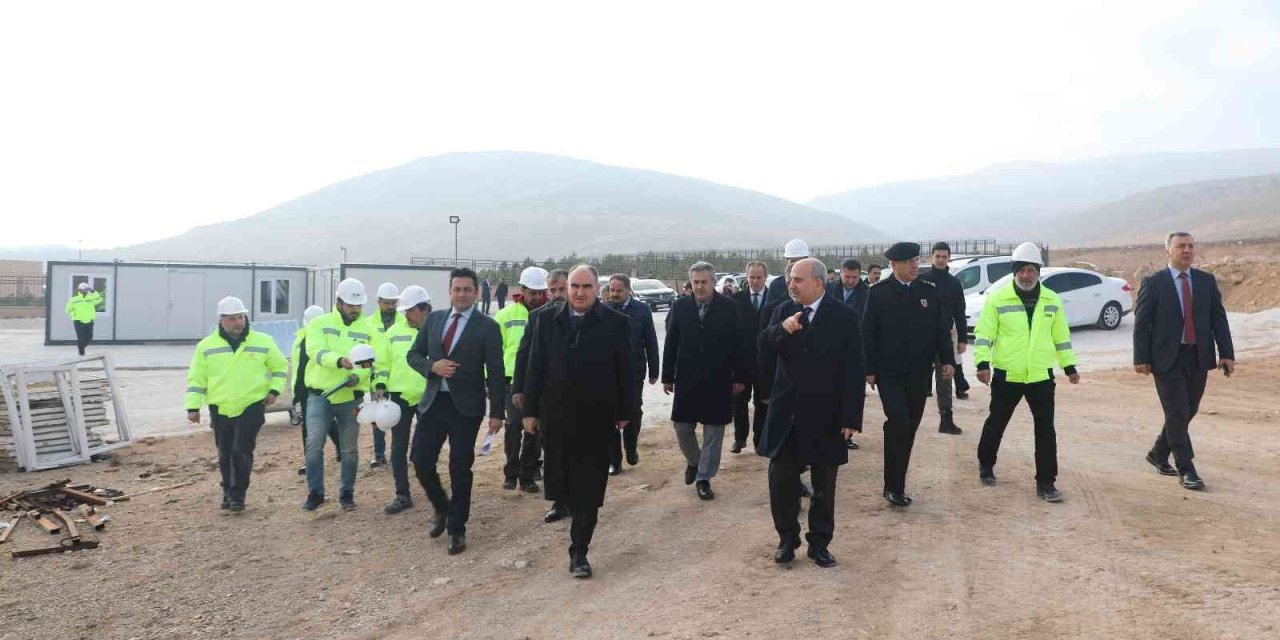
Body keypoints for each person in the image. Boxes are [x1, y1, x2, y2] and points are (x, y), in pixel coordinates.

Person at [522, 264, 633, 578]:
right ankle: (568, 508)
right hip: (556, 418)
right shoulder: (545, 321)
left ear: (597, 289)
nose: (580, 292)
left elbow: (625, 369)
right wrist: (529, 410)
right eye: (575, 286)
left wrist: (626, 411)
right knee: (563, 484)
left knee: (588, 491)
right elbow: (535, 367)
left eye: (586, 286)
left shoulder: (615, 323)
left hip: (597, 419)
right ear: (566, 288)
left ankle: (579, 552)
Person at [757, 258, 863, 567]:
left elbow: (854, 368)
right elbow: (763, 347)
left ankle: (819, 543)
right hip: (787, 413)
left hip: (826, 414)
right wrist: (782, 329)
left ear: (818, 283)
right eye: (790, 278)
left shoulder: (844, 317)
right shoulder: (781, 310)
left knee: (823, 485)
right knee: (781, 481)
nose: (791, 284)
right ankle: (787, 538)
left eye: (798, 279)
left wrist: (850, 418)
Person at [406, 267, 505, 555]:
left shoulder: (487, 326)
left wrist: (497, 412)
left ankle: (457, 529)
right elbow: (413, 354)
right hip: (434, 402)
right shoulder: (434, 320)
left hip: (467, 407)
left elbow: (496, 372)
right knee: (421, 461)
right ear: (449, 292)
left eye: (467, 289)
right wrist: (431, 367)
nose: (461, 294)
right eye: (456, 289)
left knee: (459, 468)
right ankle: (442, 506)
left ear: (476, 293)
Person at [973, 242, 1078, 502]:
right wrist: (982, 363)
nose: (1026, 275)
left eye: (1031, 270)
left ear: (1038, 271)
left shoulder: (1051, 299)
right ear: (1014, 271)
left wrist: (1069, 365)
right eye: (1022, 270)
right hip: (1007, 375)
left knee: (1045, 430)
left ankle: (1046, 482)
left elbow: (1061, 337)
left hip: (1041, 376)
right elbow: (984, 335)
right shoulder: (998, 299)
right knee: (997, 422)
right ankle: (986, 463)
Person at [1134, 232, 1234, 491]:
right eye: (1181, 246)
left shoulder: (1205, 281)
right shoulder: (1154, 283)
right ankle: (1186, 468)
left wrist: (1226, 353)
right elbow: (1142, 324)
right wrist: (1141, 357)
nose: (1187, 250)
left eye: (1190, 246)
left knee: (1188, 410)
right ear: (1168, 251)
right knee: (1177, 413)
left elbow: (1218, 319)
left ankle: (1158, 453)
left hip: (1198, 356)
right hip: (1166, 358)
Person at [863, 242, 955, 507]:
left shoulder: (928, 292)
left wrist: (947, 360)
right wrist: (868, 369)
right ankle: (893, 486)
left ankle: (896, 482)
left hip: (919, 374)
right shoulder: (878, 293)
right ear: (894, 265)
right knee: (899, 422)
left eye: (916, 260)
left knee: (909, 428)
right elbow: (867, 333)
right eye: (909, 261)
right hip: (889, 374)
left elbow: (941, 331)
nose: (916, 265)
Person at [185, 296, 288, 512]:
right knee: (224, 452)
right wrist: (193, 407)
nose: (238, 322)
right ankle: (227, 490)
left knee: (241, 450)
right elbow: (196, 379)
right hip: (220, 407)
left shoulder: (262, 341)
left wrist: (274, 390)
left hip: (252, 404)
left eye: (240, 317)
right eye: (232, 318)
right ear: (221, 320)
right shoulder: (206, 346)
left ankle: (237, 495)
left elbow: (280, 367)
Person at [663, 261, 748, 500]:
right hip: (687, 378)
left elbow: (739, 344)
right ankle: (694, 461)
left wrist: (740, 376)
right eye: (695, 282)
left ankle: (704, 478)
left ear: (713, 282)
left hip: (718, 378)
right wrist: (667, 376)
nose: (699, 287)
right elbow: (671, 343)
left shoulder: (729, 307)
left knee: (714, 431)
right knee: (682, 427)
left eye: (704, 282)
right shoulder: (679, 306)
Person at [301, 278, 379, 512]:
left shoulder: (367, 330)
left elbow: (372, 364)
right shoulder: (319, 324)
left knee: (350, 450)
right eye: (351, 305)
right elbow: (314, 351)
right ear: (338, 302)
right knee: (314, 446)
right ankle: (315, 492)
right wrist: (338, 361)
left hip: (350, 399)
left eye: (359, 306)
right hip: (320, 397)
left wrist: (361, 378)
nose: (355, 309)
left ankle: (347, 493)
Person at [513, 268, 570, 522]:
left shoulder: (590, 315)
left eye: (561, 289)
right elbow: (524, 355)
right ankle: (559, 502)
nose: (557, 295)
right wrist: (519, 389)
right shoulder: (537, 318)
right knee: (552, 450)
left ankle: (579, 497)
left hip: (583, 397)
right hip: (550, 398)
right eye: (553, 290)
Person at [378, 285, 433, 515]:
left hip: (428, 395)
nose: (406, 315)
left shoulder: (437, 330)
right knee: (398, 447)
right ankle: (402, 494)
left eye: (410, 310)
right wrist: (379, 384)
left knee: (427, 446)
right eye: (405, 311)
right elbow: (383, 363)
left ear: (424, 309)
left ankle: (433, 489)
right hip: (399, 395)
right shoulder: (392, 333)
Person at [496, 267, 550, 492]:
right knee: (513, 427)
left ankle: (528, 475)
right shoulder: (505, 316)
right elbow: (494, 353)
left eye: (541, 293)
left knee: (534, 430)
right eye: (532, 293)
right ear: (522, 290)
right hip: (512, 382)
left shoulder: (549, 315)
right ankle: (511, 472)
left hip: (539, 383)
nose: (537, 297)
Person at [604, 274, 660, 474]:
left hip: (634, 371)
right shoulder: (605, 309)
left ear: (628, 290)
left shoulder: (642, 310)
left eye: (619, 290)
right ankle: (614, 460)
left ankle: (631, 446)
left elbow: (651, 341)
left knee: (633, 410)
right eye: (612, 290)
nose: (615, 294)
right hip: (609, 372)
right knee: (610, 414)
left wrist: (655, 370)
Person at [920, 242, 969, 430]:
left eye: (944, 257)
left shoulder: (954, 284)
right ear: (932, 257)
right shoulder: (921, 281)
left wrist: (963, 339)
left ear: (949, 258)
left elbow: (960, 313)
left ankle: (946, 419)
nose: (941, 260)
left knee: (945, 379)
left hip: (944, 339)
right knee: (917, 379)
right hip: (922, 338)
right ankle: (909, 417)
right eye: (937, 256)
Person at [291, 304, 341, 476]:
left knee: (315, 424)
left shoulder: (316, 339)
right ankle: (330, 452)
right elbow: (297, 368)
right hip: (306, 387)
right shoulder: (300, 340)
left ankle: (313, 460)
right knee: (317, 423)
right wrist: (296, 392)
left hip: (317, 386)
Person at [827, 258, 869, 450]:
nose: (851, 280)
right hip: (830, 349)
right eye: (847, 276)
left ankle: (848, 434)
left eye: (854, 277)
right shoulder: (829, 290)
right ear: (841, 273)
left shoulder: (867, 294)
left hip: (855, 349)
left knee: (851, 393)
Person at [730, 261, 769, 452]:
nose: (754, 281)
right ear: (747, 277)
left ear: (765, 277)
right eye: (751, 277)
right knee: (739, 403)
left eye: (758, 277)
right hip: (742, 363)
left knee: (763, 403)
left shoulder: (775, 300)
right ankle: (739, 438)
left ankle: (760, 440)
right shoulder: (735, 300)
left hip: (765, 363)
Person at [367, 282, 403, 468]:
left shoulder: (403, 322)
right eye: (386, 303)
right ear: (378, 302)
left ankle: (399, 453)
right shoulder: (368, 324)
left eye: (393, 303)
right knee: (377, 415)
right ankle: (379, 454)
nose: (390, 307)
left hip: (397, 374)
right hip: (375, 375)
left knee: (398, 416)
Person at [766, 239, 810, 305]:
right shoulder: (776, 285)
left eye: (799, 262)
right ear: (786, 262)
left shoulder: (815, 284)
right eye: (792, 261)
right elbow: (769, 311)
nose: (796, 265)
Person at [66, 282, 102, 356]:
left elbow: (99, 298)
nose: (83, 291)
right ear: (78, 290)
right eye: (81, 289)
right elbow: (68, 310)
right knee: (81, 338)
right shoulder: (74, 299)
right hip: (78, 321)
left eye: (85, 289)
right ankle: (81, 353)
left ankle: (81, 347)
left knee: (89, 337)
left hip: (89, 321)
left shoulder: (90, 299)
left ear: (87, 290)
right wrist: (74, 314)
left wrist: (92, 290)